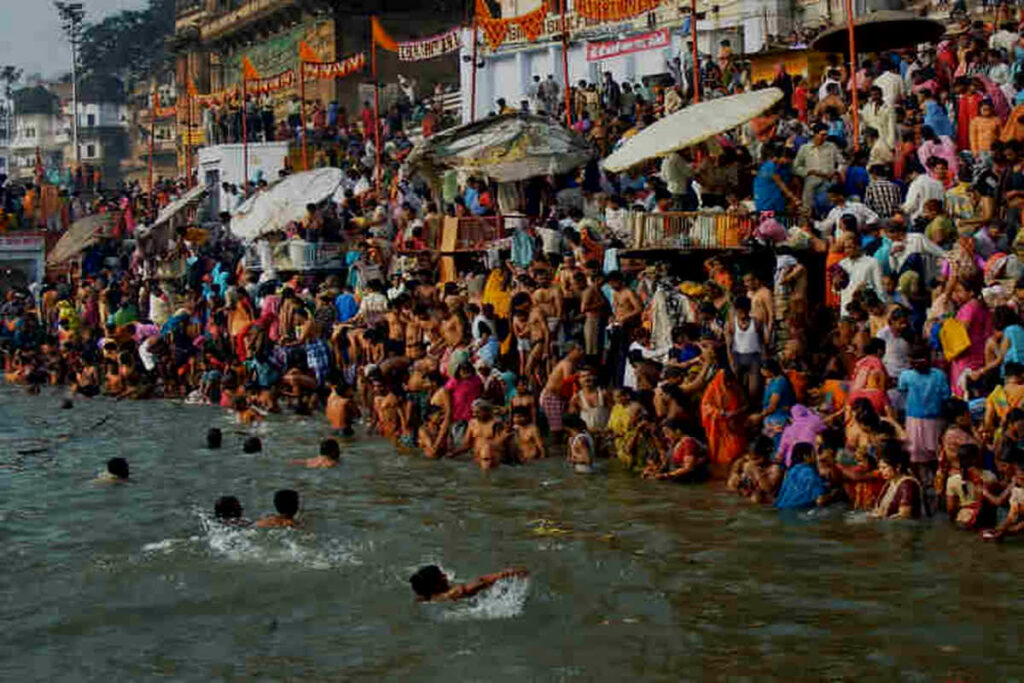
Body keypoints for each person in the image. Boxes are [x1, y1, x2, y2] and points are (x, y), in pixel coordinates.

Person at [409, 564, 528, 602]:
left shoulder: (425, 597)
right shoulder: (457, 591)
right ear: (435, 584)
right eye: (442, 576)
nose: (445, 576)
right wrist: (508, 573)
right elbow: (482, 581)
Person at [869, 443, 923, 520]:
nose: (881, 471)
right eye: (880, 467)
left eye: (884, 467)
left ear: (898, 467)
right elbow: (878, 510)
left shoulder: (907, 484)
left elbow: (904, 516)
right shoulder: (890, 482)